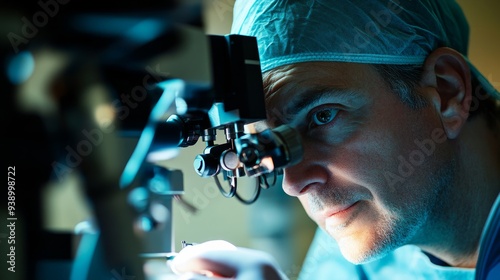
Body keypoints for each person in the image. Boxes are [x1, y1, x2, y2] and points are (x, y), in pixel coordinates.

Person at [170, 0, 500, 279]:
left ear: (446, 91)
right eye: (273, 143)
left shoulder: (376, 212)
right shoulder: (358, 241)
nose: (293, 183)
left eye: (323, 116)